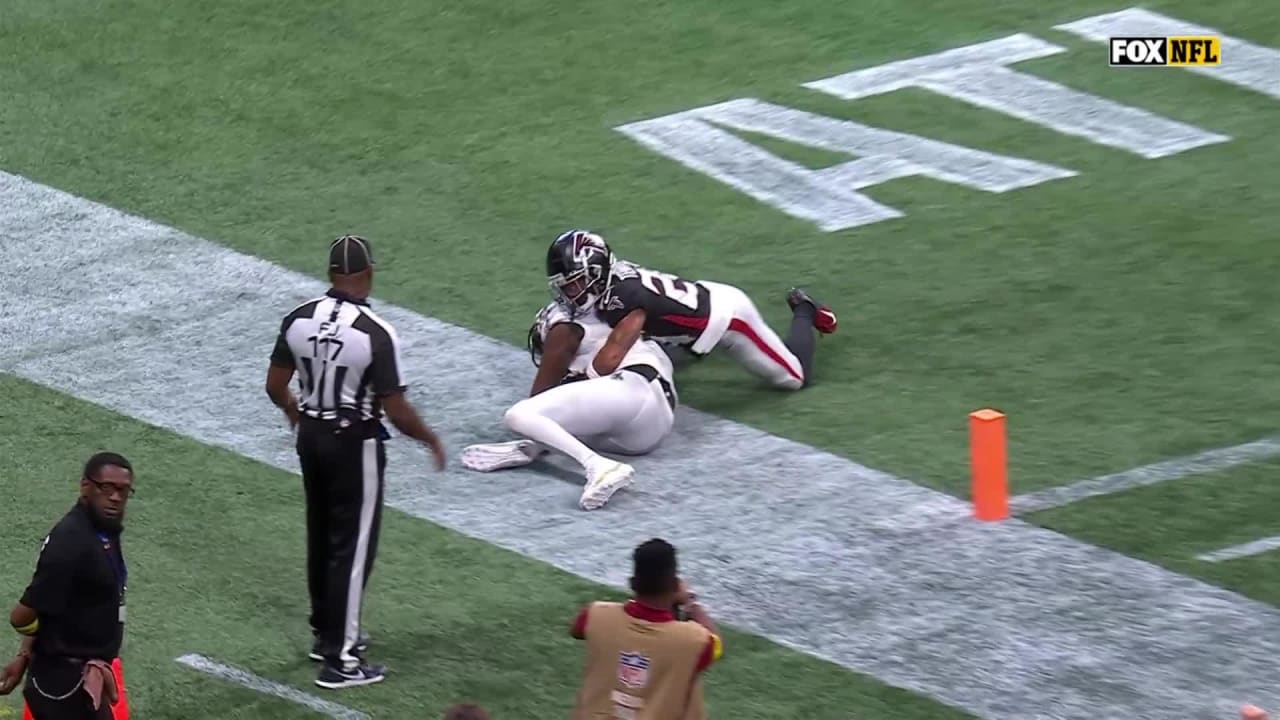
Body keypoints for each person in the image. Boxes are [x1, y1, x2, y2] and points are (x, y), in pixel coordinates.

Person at [265, 234, 448, 689]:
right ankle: (342, 660)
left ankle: (324, 634)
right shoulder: (376, 333)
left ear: (331, 274)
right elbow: (396, 408)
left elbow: (274, 384)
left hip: (310, 434)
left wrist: (295, 412)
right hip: (354, 443)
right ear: (367, 274)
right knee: (352, 547)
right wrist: (429, 440)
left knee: (321, 536)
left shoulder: (298, 317)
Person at [545, 229, 837, 390]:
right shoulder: (612, 283)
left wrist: (581, 382)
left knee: (794, 378)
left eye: (574, 283)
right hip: (694, 308)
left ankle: (805, 309)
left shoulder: (625, 295)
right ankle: (688, 348)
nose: (569, 292)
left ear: (596, 273)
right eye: (564, 286)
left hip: (730, 319)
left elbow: (613, 351)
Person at [460, 300, 677, 510]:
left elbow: (541, 391)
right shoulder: (629, 336)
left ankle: (599, 466)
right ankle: (534, 446)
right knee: (555, 424)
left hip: (632, 389)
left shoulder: (567, 327)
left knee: (519, 415)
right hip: (651, 426)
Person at [0, 452, 135, 720]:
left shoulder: (101, 528)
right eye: (106, 488)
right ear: (85, 486)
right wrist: (38, 650)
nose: (116, 498)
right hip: (64, 686)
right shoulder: (71, 543)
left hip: (77, 680)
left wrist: (27, 653)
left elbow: (49, 603)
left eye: (123, 490)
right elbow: (22, 615)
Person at [570, 538, 721, 720]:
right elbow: (715, 643)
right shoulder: (694, 641)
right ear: (675, 586)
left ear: (632, 583)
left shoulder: (595, 614)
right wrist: (690, 602)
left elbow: (576, 630)